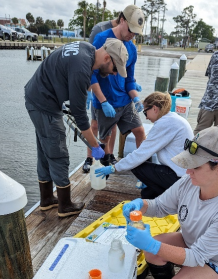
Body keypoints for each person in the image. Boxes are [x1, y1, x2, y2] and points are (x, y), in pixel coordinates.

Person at [123, 126, 218, 279]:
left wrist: (152, 245)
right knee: (153, 251)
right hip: (191, 242)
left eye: (195, 166)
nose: (188, 171)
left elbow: (197, 256)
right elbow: (161, 206)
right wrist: (140, 204)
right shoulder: (189, 181)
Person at [24, 39, 128, 217]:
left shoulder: (86, 49)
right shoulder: (82, 67)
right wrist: (95, 146)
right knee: (58, 152)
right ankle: (65, 205)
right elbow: (80, 118)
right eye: (114, 69)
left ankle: (47, 199)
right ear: (106, 58)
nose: (113, 74)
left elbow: (72, 73)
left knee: (44, 150)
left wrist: (84, 93)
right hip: (44, 104)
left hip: (37, 97)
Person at [94, 92, 193, 199]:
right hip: (185, 175)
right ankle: (155, 194)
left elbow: (141, 154)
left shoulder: (165, 123)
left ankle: (167, 194)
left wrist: (114, 168)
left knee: (137, 165)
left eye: (145, 112)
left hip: (180, 179)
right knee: (146, 193)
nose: (146, 118)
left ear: (154, 109)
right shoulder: (173, 119)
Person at [90, 5, 146, 168]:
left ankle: (142, 166)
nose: (132, 35)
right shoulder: (101, 39)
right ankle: (105, 167)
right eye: (131, 30)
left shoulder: (132, 49)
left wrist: (136, 98)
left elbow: (129, 80)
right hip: (106, 101)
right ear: (122, 20)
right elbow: (91, 73)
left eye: (136, 33)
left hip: (126, 101)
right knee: (105, 138)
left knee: (140, 131)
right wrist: (103, 101)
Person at [83, 15, 120, 173]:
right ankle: (90, 156)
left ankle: (109, 154)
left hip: (113, 91)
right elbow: (89, 64)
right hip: (97, 88)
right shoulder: (100, 31)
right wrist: (88, 91)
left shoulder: (127, 38)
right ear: (122, 21)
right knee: (94, 124)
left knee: (112, 125)